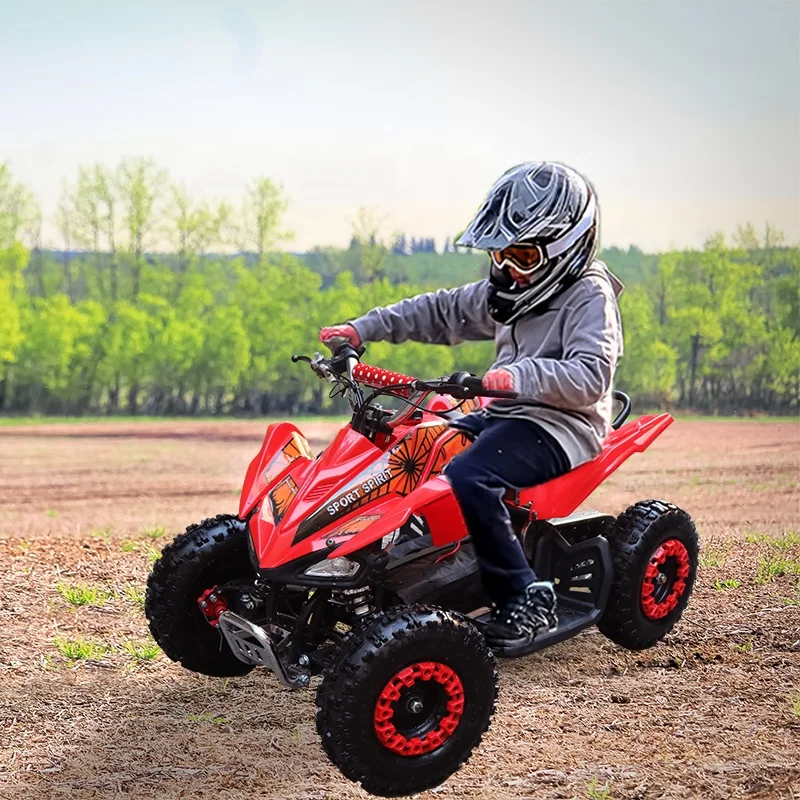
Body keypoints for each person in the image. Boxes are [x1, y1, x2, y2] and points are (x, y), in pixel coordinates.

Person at [320, 162, 624, 656]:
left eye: (522, 255)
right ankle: (411, 560)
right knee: (422, 443)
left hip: (564, 422)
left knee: (470, 476)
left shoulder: (588, 296)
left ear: (566, 248)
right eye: (500, 254)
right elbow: (440, 310)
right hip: (509, 411)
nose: (507, 268)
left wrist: (520, 376)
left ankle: (525, 597)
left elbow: (591, 377)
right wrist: (363, 329)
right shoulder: (514, 291)